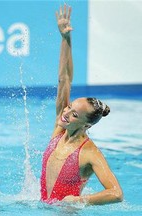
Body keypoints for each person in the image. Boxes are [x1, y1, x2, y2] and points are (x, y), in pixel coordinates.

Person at [40, 5, 123, 205]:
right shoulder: (60, 129)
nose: (66, 113)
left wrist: (81, 200)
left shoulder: (89, 152)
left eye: (75, 114)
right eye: (69, 107)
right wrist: (65, 39)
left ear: (87, 125)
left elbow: (116, 193)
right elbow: (64, 79)